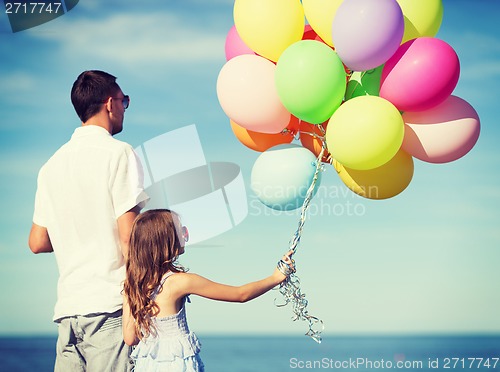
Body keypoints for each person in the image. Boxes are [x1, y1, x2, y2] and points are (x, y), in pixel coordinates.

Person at [28, 70, 149, 371]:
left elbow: (37, 242)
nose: (124, 108)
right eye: (125, 101)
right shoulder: (119, 153)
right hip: (108, 308)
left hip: (68, 312)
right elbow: (128, 238)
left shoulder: (50, 166)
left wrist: (76, 229)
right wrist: (139, 304)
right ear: (110, 103)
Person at [122, 209, 295, 371]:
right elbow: (240, 294)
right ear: (166, 240)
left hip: (148, 364)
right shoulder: (181, 281)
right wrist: (276, 277)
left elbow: (130, 338)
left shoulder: (132, 284)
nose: (185, 234)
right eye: (180, 230)